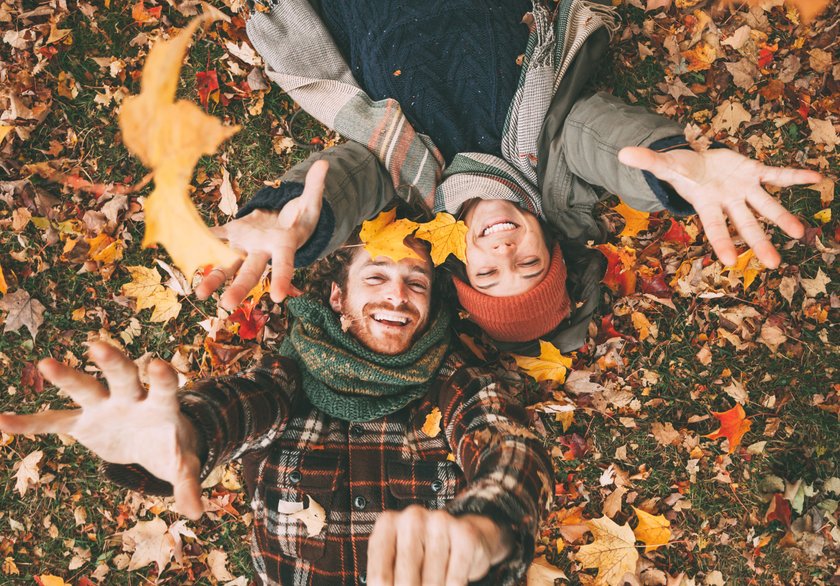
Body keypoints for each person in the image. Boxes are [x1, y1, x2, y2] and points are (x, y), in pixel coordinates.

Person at [0, 163, 553, 586]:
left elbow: (507, 442)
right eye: (377, 276)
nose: (397, 296)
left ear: (431, 308)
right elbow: (241, 406)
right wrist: (186, 435)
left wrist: (490, 527)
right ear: (337, 296)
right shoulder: (288, 377)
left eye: (416, 282)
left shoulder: (454, 380)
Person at [197, 0, 821, 355]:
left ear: (459, 263)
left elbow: (349, 179)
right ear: (551, 239)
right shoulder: (551, 159)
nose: (503, 250)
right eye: (529, 264)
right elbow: (603, 142)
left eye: (487, 273)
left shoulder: (411, 187)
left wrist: (295, 218)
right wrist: (678, 172)